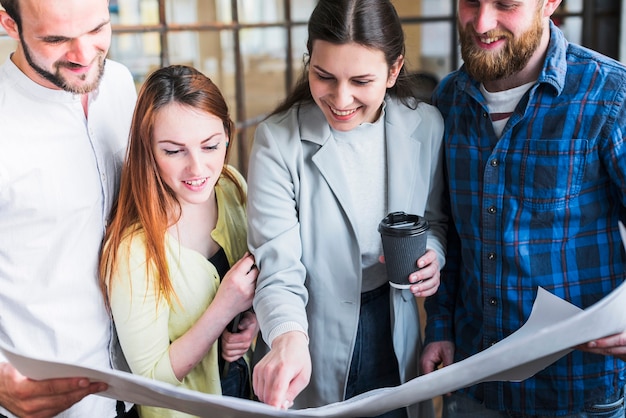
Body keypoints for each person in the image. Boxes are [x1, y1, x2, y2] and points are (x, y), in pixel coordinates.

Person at [421, 0, 626, 417]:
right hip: (473, 384)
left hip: (579, 395)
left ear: (550, 3)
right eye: (470, 2)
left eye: (505, 4)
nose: (482, 22)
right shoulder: (447, 100)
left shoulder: (611, 95)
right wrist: (439, 328)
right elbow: (451, 235)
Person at [246, 1, 447, 417]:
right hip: (307, 327)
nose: (340, 99)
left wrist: (434, 255)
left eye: (361, 80)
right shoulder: (277, 141)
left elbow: (436, 222)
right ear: (309, 64)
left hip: (395, 327)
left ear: (393, 71)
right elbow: (277, 267)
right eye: (324, 76)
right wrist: (287, 337)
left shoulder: (428, 126)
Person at [0, 0, 137, 416]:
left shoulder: (120, 84)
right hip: (45, 405)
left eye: (98, 29)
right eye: (56, 39)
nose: (83, 55)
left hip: (137, 388)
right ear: (9, 24)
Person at [99, 65, 259, 418]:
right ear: (148, 151)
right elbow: (151, 380)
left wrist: (253, 322)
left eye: (211, 145)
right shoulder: (135, 249)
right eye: (174, 151)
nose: (198, 168)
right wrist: (223, 309)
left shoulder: (231, 187)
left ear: (227, 135)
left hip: (245, 391)